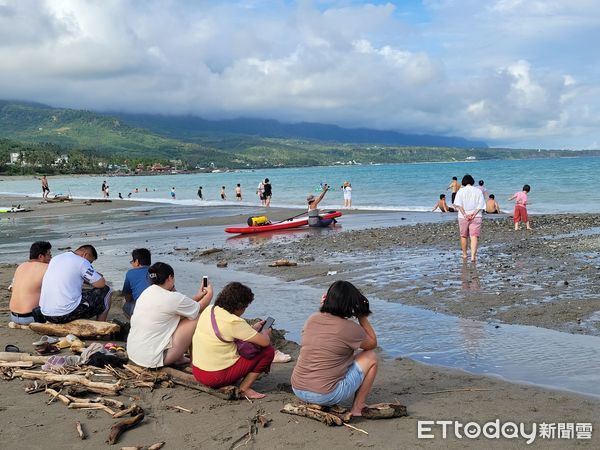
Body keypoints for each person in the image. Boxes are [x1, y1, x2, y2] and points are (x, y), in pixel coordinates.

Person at [291, 281, 377, 416]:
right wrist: (362, 316)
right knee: (370, 356)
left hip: (298, 388)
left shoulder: (312, 319)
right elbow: (372, 343)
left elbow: (326, 335)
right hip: (325, 394)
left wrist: (324, 308)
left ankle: (314, 400)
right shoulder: (350, 328)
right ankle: (358, 407)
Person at [192, 282, 275, 399]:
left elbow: (228, 333)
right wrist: (265, 333)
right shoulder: (234, 322)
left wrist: (252, 329)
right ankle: (245, 388)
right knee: (268, 351)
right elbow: (264, 342)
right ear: (239, 306)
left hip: (198, 371)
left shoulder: (210, 309)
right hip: (214, 377)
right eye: (245, 307)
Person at [127, 262, 213, 368]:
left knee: (181, 316)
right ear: (170, 278)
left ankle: (179, 358)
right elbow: (198, 308)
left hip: (134, 353)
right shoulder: (172, 297)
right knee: (195, 318)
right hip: (152, 359)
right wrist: (209, 294)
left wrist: (198, 296)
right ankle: (194, 363)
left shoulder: (146, 293)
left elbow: (181, 306)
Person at [39, 245, 112, 323]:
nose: (90, 264)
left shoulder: (56, 258)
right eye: (90, 262)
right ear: (85, 255)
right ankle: (101, 326)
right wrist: (95, 275)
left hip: (46, 314)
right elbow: (101, 283)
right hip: (64, 314)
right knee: (107, 290)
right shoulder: (82, 261)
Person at [9, 241, 52, 325]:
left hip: (14, 316)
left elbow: (12, 288)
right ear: (40, 256)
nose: (51, 257)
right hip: (32, 317)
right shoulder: (47, 268)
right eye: (49, 255)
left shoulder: (21, 266)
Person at [453, 174, 486, 262]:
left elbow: (458, 205)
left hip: (463, 217)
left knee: (463, 236)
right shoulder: (478, 191)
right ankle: (472, 256)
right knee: (474, 236)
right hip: (476, 216)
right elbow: (481, 205)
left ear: (463, 182)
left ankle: (464, 255)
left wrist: (465, 214)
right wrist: (473, 214)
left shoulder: (460, 191)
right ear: (472, 181)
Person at [122, 248, 152, 318]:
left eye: (132, 261)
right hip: (160, 307)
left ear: (137, 262)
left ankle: (133, 323)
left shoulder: (130, 273)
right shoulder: (157, 271)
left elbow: (127, 297)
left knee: (124, 301)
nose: (131, 263)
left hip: (141, 310)